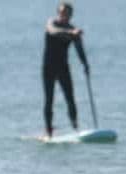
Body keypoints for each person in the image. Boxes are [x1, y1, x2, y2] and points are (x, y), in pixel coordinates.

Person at [42, 2, 89, 138]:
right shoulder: (52, 23)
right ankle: (49, 131)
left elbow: (79, 49)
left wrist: (85, 64)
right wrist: (71, 32)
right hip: (48, 67)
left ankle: (75, 127)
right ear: (58, 13)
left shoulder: (73, 30)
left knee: (70, 98)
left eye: (67, 13)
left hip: (63, 67)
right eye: (62, 13)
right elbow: (53, 31)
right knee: (49, 100)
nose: (64, 15)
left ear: (71, 15)